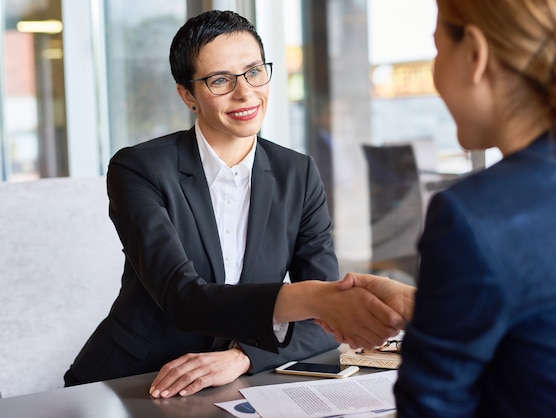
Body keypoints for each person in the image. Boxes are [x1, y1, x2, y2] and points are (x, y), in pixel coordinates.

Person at [63, 10, 406, 400]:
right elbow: (181, 297)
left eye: (254, 72)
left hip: (238, 384)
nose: (245, 93)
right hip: (135, 380)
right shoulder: (138, 168)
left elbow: (320, 320)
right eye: (220, 80)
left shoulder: (298, 172)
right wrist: (316, 298)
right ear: (188, 95)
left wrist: (244, 356)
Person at [385, 0, 556, 416]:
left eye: (438, 50)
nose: (436, 73)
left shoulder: (472, 216)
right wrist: (429, 308)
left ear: (475, 54)